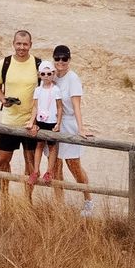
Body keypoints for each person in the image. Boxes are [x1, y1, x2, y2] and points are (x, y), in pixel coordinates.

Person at [0, 28, 43, 199]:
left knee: (31, 165)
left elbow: (47, 91)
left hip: (31, 123)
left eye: (25, 44)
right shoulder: (4, 63)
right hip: (9, 121)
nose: (21, 47)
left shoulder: (39, 65)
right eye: (18, 43)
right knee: (2, 161)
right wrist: (3, 100)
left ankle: (27, 200)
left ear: (30, 45)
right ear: (13, 44)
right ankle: (4, 195)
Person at [51, 43, 95, 214]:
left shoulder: (73, 78)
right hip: (54, 124)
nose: (60, 61)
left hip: (69, 124)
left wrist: (81, 128)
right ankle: (59, 205)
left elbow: (77, 106)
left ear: (69, 60)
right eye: (57, 58)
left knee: (73, 164)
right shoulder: (52, 75)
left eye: (64, 58)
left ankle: (88, 201)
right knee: (55, 166)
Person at [29, 60, 65, 187]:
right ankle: (35, 171)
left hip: (52, 122)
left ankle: (49, 171)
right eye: (43, 74)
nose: (46, 76)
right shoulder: (37, 90)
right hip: (41, 120)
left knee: (52, 147)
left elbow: (60, 107)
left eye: (49, 74)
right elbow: (34, 107)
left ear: (53, 74)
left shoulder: (56, 90)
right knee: (39, 145)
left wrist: (58, 123)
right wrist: (32, 122)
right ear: (39, 75)